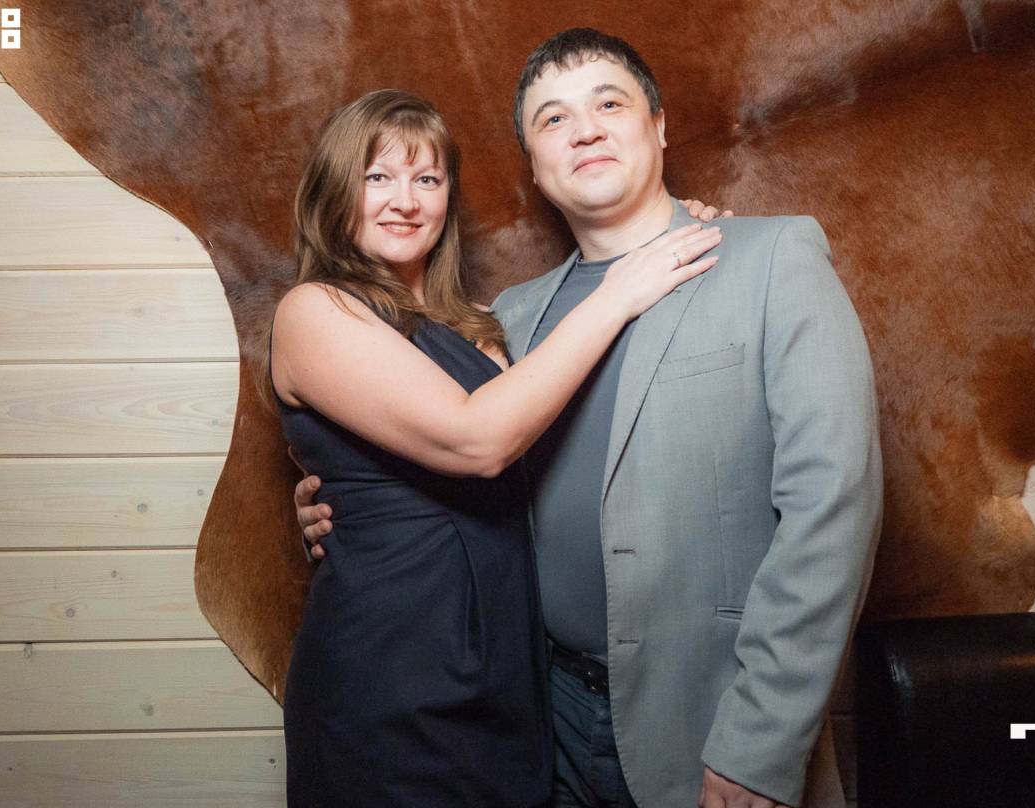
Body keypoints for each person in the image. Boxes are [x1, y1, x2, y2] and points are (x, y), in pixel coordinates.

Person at [297, 29, 883, 808]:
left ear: (658, 127)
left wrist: (759, 746)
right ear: (535, 166)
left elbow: (833, 507)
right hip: (539, 726)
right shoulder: (510, 319)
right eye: (553, 119)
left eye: (609, 104)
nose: (584, 130)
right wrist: (342, 496)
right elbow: (455, 445)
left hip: (712, 722)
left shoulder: (770, 259)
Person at [267, 88, 722, 807]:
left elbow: (551, 442)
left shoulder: (486, 322)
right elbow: (477, 440)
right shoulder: (314, 310)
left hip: (508, 671)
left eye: (426, 178)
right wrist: (621, 290)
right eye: (377, 177)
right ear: (333, 192)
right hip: (391, 669)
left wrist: (663, 229)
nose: (405, 201)